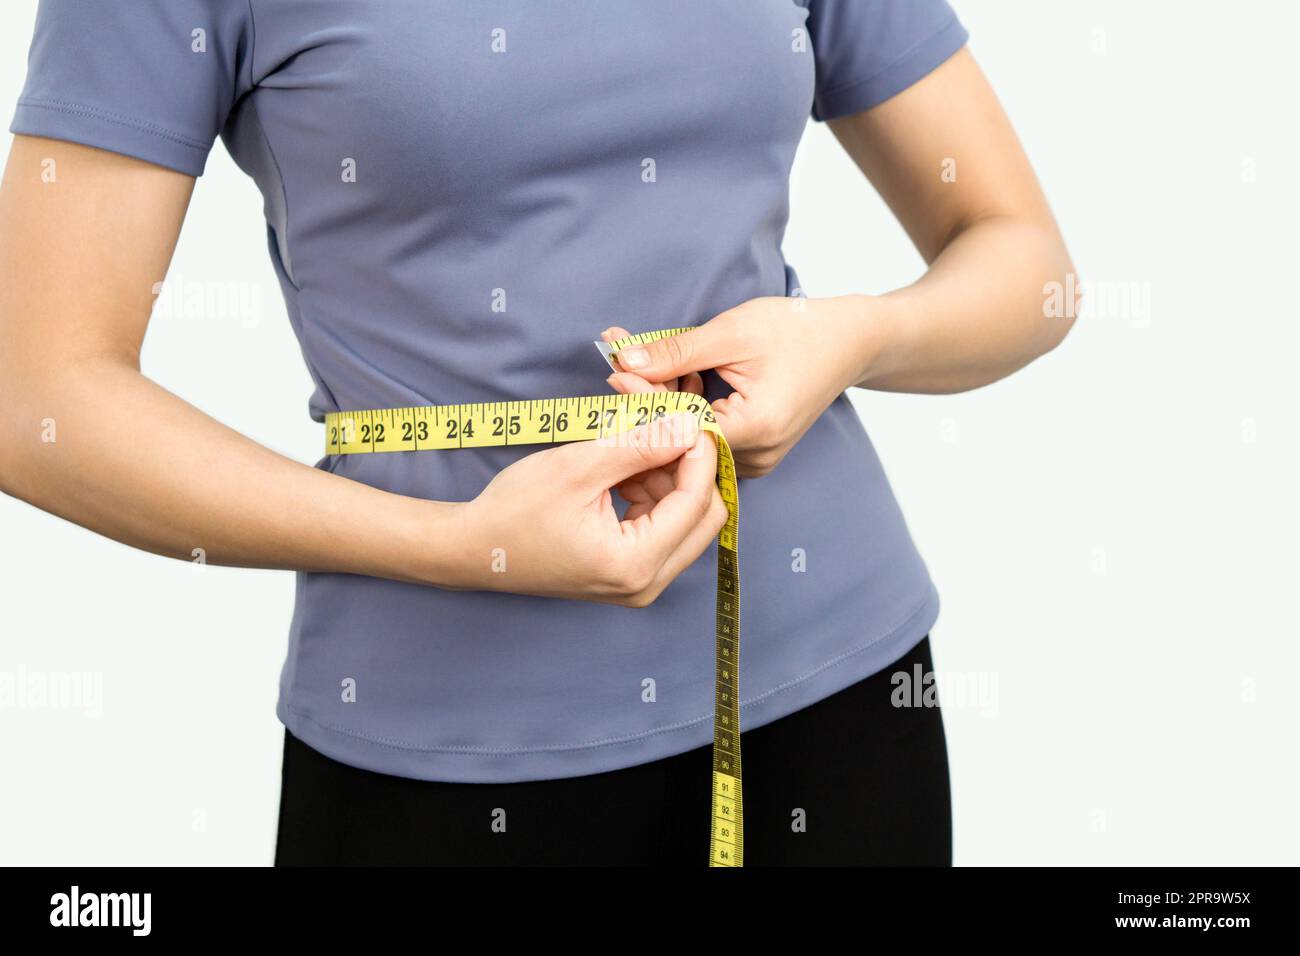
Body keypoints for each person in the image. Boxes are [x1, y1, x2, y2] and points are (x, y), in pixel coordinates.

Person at [0, 1, 1076, 865]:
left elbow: (1026, 262)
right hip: (442, 752)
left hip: (840, 694)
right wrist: (458, 544)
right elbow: (34, 396)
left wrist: (850, 337)